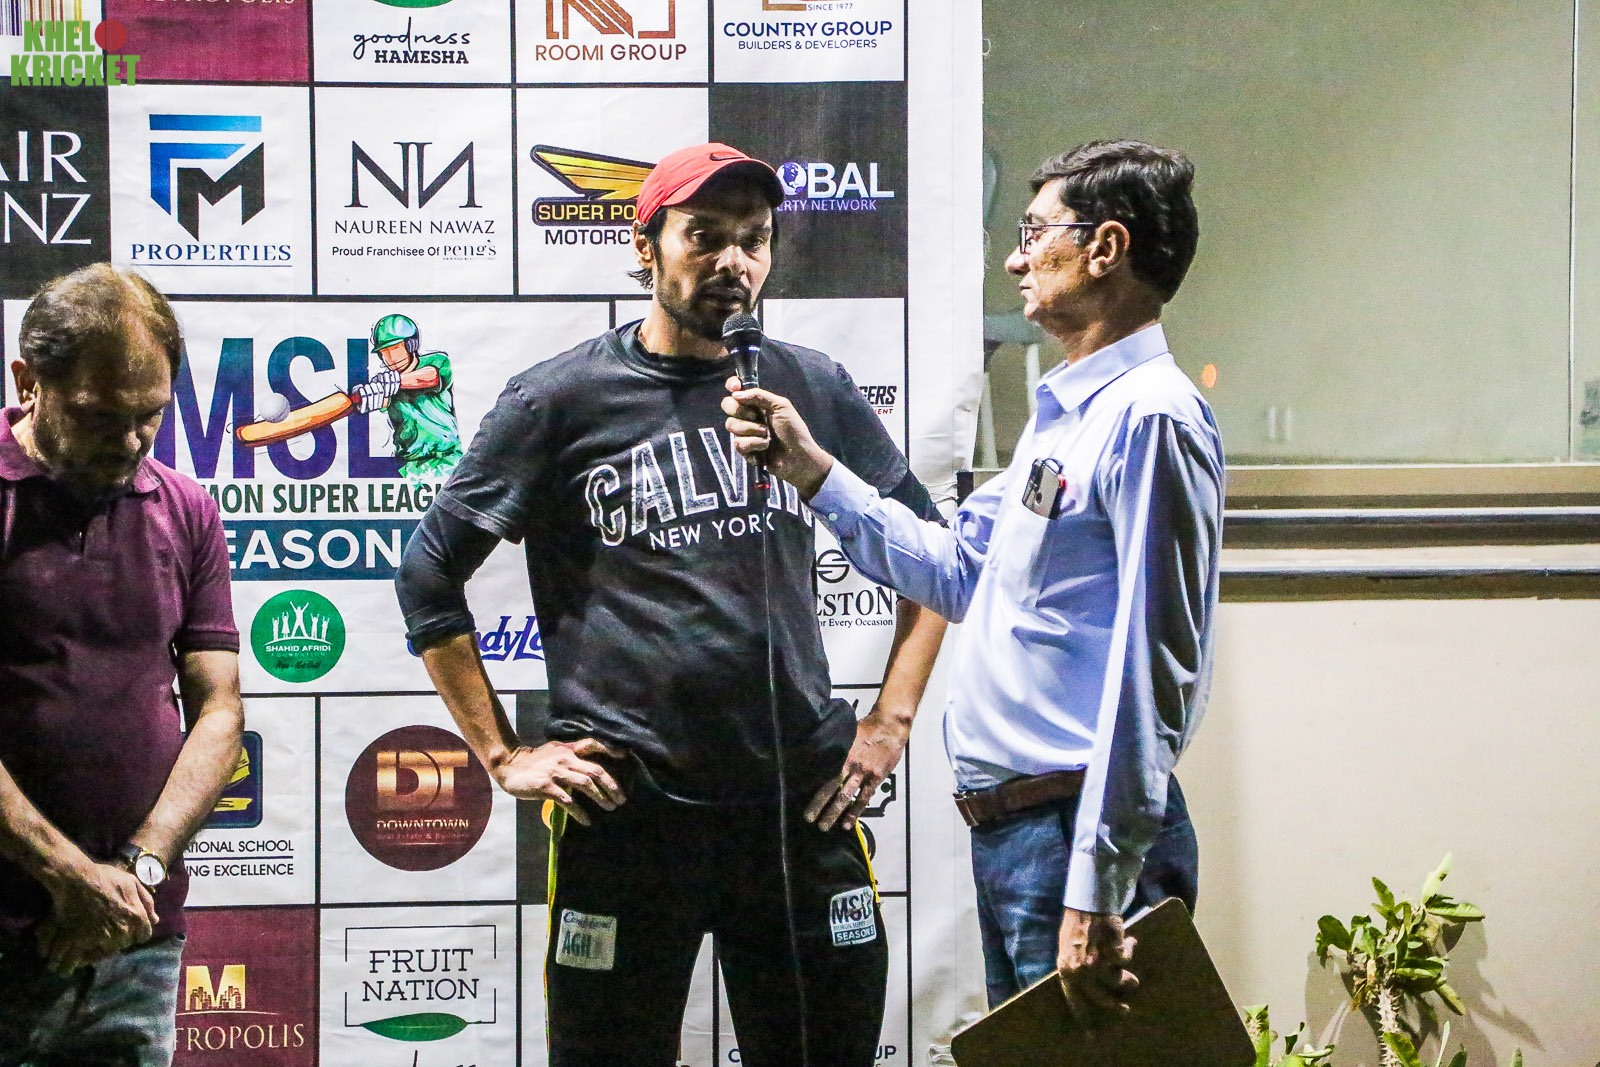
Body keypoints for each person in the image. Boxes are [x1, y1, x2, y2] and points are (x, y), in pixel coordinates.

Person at [395, 142, 948, 1066]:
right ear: (645, 244)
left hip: (797, 804)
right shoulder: (559, 399)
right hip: (629, 811)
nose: (734, 261)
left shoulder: (809, 386)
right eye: (705, 236)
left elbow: (933, 558)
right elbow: (428, 574)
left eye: (754, 240)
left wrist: (890, 721)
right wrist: (503, 754)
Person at [722, 140, 1224, 1017]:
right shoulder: (1068, 413)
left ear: (1105, 248)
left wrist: (1098, 885)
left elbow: (1159, 672)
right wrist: (814, 472)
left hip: (1075, 839)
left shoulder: (1153, 418)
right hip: (1020, 838)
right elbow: (957, 572)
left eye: (1034, 233)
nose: (1015, 259)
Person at [0, 264, 246, 1066]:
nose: (133, 441)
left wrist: (138, 869)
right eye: (101, 416)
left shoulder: (188, 509)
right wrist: (69, 876)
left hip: (135, 934)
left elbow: (219, 709)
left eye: (151, 415)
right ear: (28, 382)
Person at [352, 312, 464, 479]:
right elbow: (382, 400)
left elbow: (430, 376)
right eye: (384, 352)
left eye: (395, 348)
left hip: (448, 459)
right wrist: (362, 397)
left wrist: (394, 382)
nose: (390, 358)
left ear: (411, 345)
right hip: (410, 465)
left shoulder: (438, 361)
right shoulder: (384, 383)